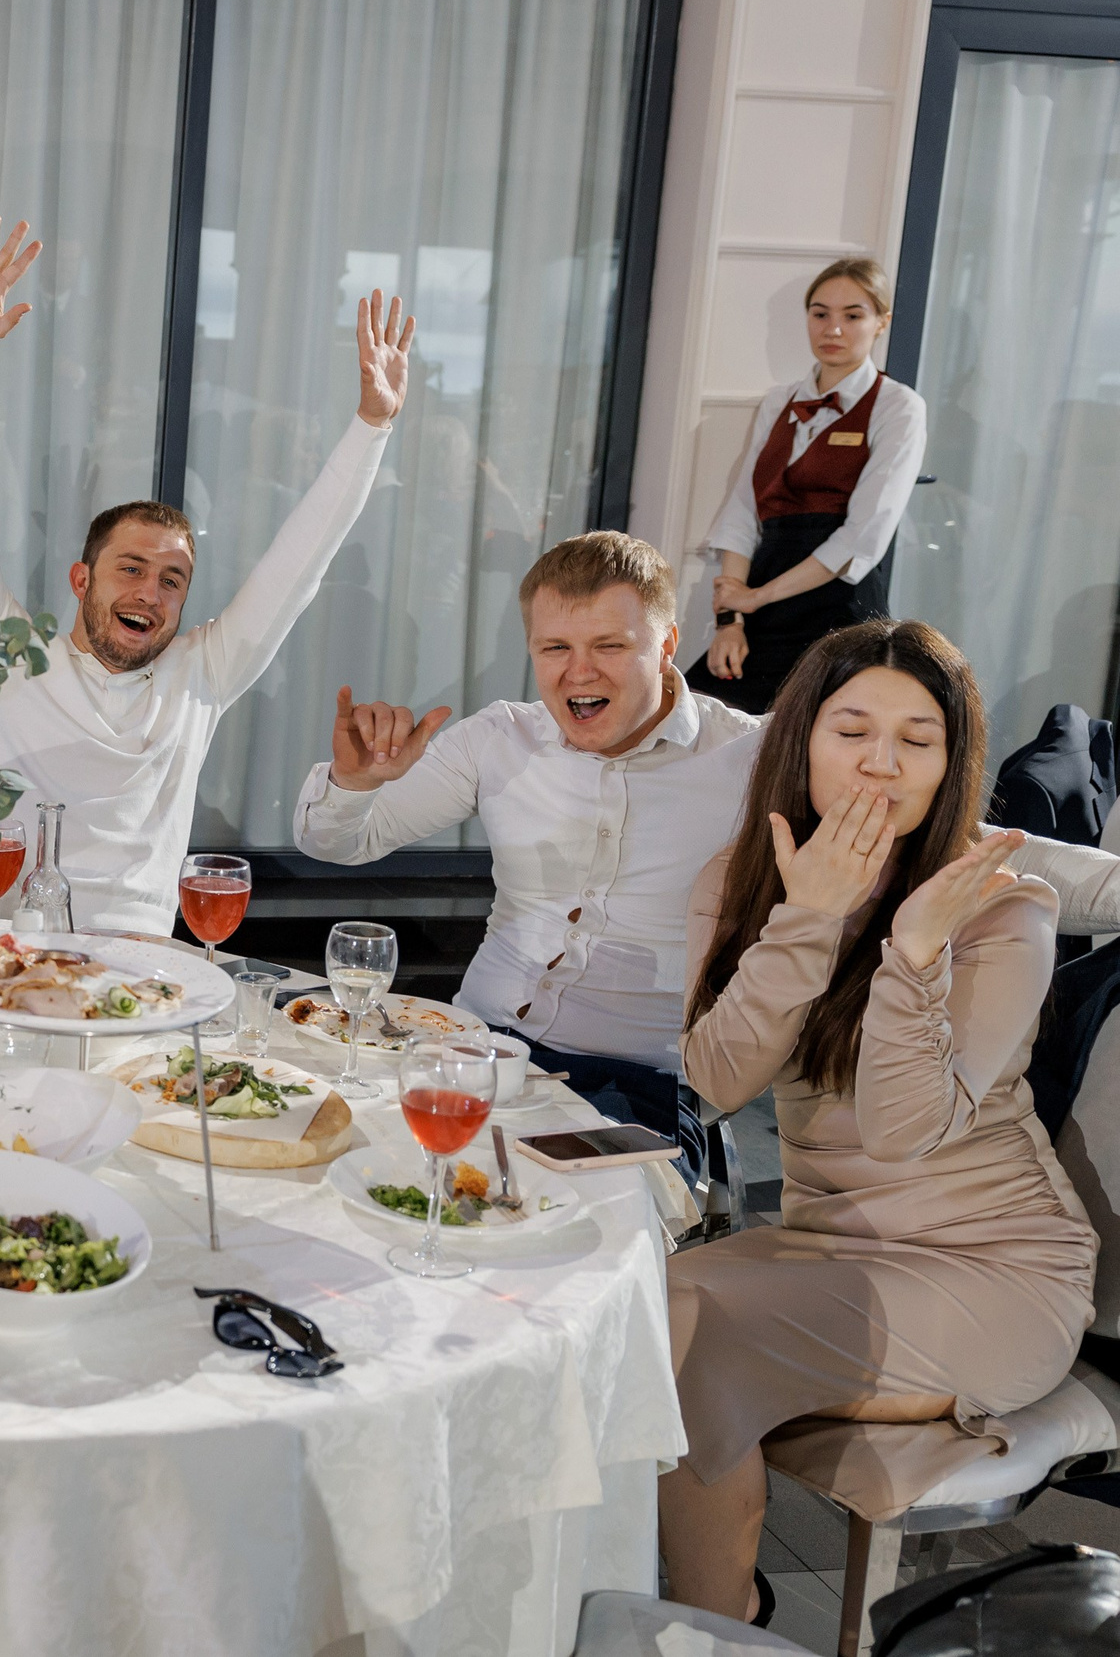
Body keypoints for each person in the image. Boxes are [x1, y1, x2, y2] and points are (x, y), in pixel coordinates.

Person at [294, 532, 1120, 1160]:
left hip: (642, 1087)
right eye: (555, 648)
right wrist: (359, 780)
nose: (578, 672)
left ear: (664, 642)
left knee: (535, 1243)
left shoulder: (758, 756)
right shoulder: (496, 739)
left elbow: (975, 850)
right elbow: (339, 840)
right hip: (466, 1043)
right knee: (340, 1162)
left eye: (610, 646)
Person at [662, 620, 1091, 1624]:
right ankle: (725, 1613)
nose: (880, 764)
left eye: (917, 740)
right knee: (625, 1303)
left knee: (686, 1341)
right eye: (852, 730)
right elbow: (716, 1082)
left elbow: (907, 1133)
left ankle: (711, 1631)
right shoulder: (740, 880)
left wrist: (912, 954)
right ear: (799, 739)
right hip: (829, 1251)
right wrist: (804, 918)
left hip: (994, 1271)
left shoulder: (1001, 906)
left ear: (949, 767)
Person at [0, 216, 414, 931]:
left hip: (139, 993)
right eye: (131, 568)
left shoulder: (199, 677)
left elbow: (301, 561)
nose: (151, 591)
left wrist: (373, 424)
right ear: (81, 580)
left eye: (173, 579)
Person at [685, 257, 926, 713]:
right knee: (701, 714)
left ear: (881, 323)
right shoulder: (780, 401)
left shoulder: (899, 407)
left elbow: (862, 537)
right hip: (765, 594)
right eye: (820, 314)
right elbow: (742, 514)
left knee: (806, 739)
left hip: (835, 606)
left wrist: (756, 598)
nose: (833, 329)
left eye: (852, 315)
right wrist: (730, 620)